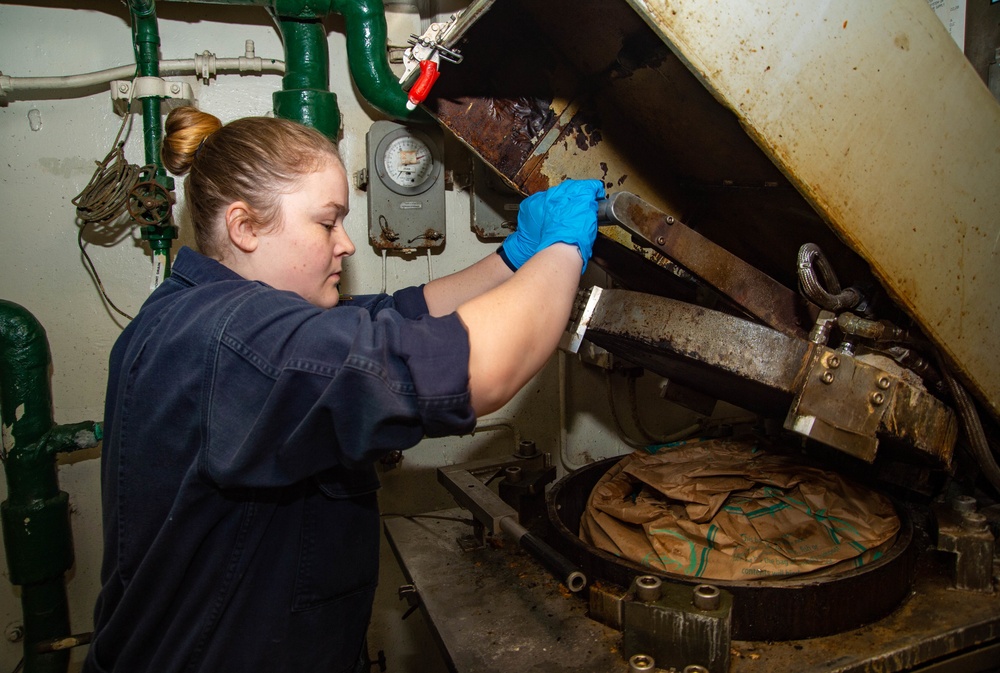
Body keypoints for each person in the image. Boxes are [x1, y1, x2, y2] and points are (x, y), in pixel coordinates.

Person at [83, 105, 604, 673]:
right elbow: (481, 369)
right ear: (245, 227)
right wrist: (564, 248)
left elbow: (397, 316)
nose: (347, 243)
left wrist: (514, 259)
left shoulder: (190, 313)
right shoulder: (239, 342)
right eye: (327, 222)